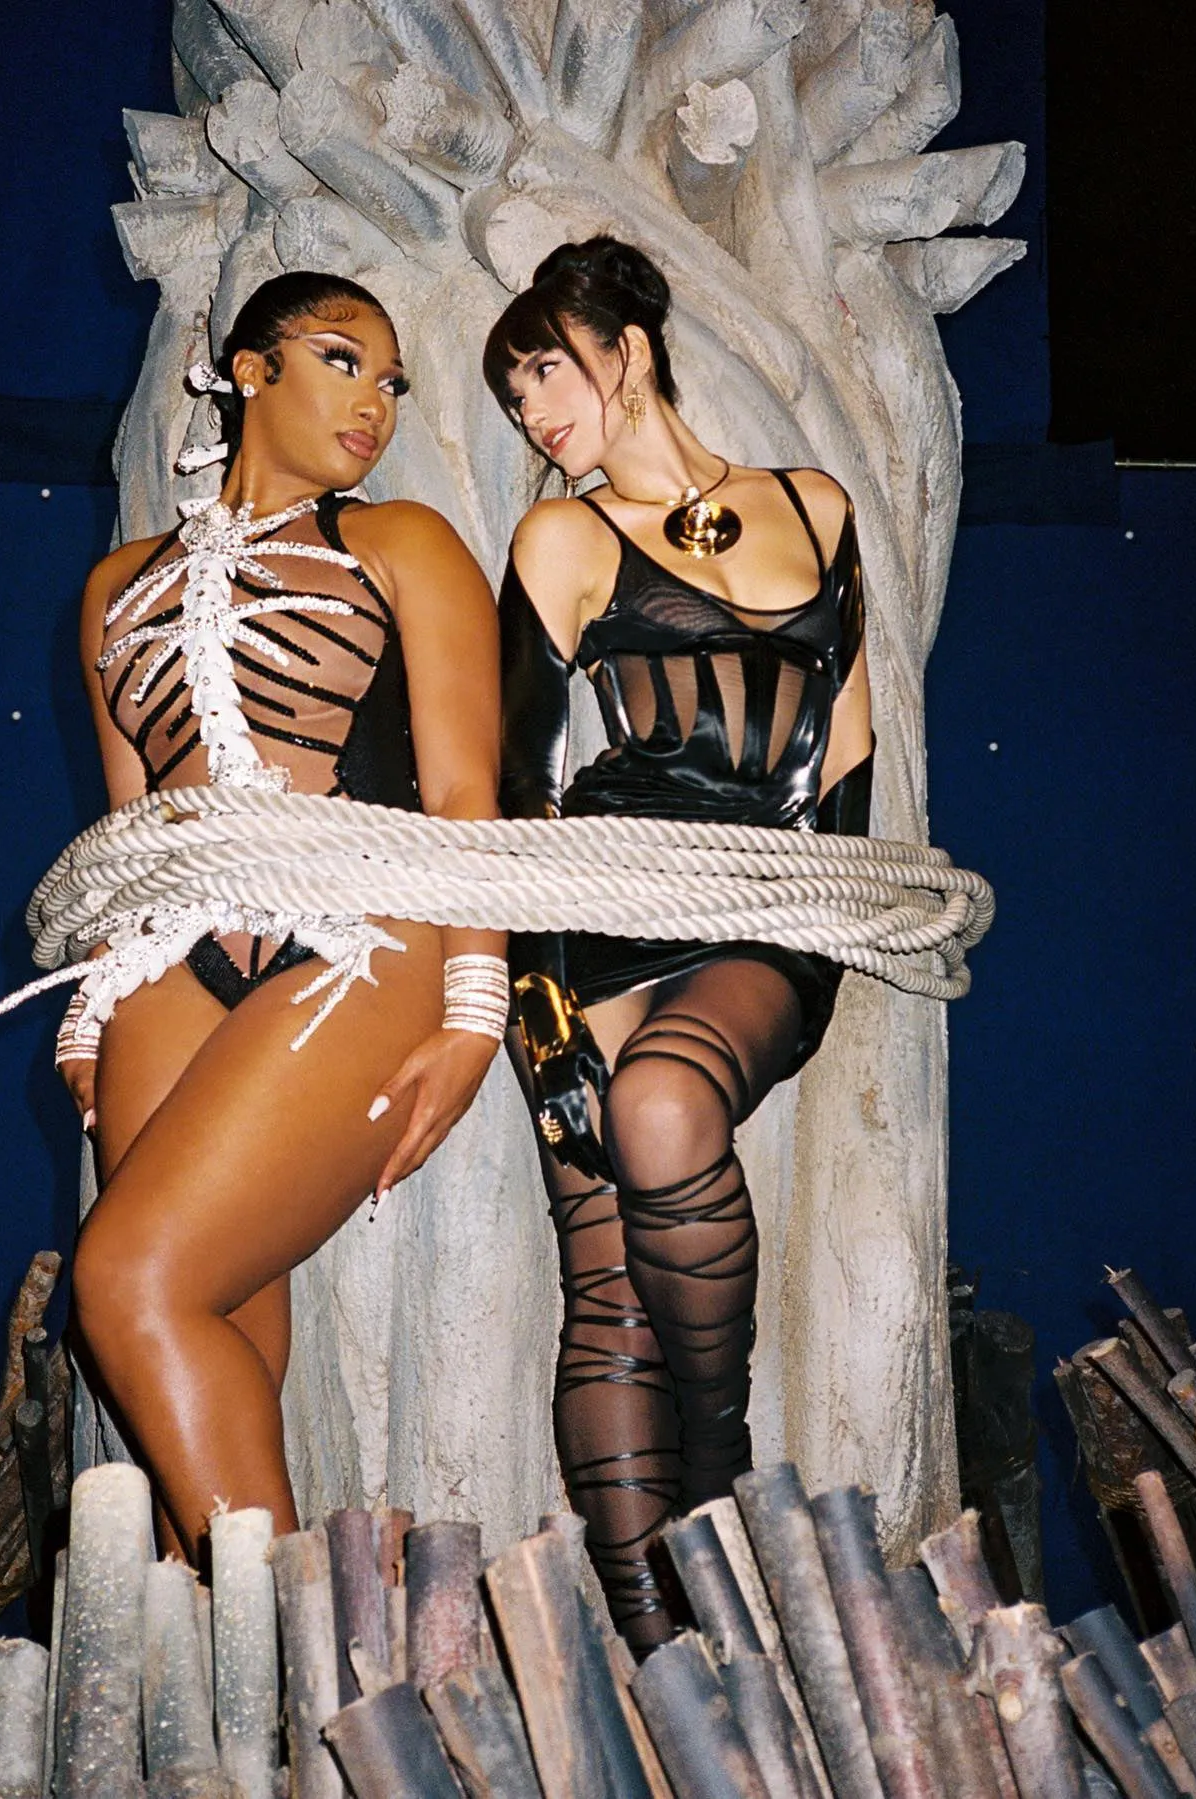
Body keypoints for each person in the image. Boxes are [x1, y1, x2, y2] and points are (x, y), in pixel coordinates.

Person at [59, 272, 505, 1560]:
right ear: (249, 371)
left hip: (358, 934)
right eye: (342, 360)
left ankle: (288, 1645)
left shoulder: (403, 542)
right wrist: (91, 1003)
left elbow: (466, 791)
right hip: (165, 955)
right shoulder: (114, 587)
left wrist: (475, 1010)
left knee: (128, 1283)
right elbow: (134, 829)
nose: (377, 402)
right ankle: (229, 1655)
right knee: (208, 1333)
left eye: (392, 382)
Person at [484, 237, 874, 1650]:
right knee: (604, 1296)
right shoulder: (560, 540)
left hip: (766, 910)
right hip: (594, 914)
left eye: (546, 373)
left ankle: (719, 1474)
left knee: (661, 1103)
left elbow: (847, 753)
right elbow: (519, 791)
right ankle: (664, 1653)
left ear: (626, 350)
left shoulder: (815, 505)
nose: (534, 414)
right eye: (515, 397)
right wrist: (537, 1007)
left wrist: (827, 926)